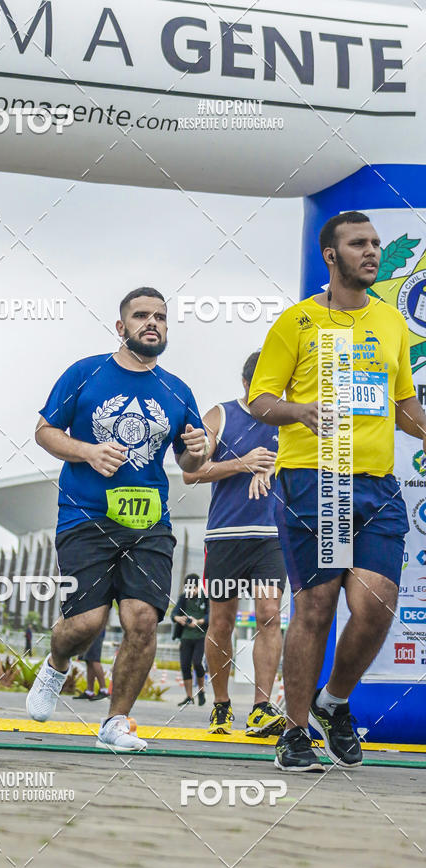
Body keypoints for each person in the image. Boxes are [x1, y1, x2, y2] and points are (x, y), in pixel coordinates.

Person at [248, 210, 426, 772]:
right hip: (315, 481)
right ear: (331, 256)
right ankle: (296, 731)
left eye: (376, 243)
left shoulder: (392, 323)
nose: (372, 252)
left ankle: (335, 701)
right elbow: (260, 400)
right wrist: (301, 411)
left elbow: (403, 407)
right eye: (358, 244)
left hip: (377, 486)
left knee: (374, 607)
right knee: (317, 607)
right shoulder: (295, 323)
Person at [27, 287, 208, 751]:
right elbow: (45, 431)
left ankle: (116, 722)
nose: (153, 323)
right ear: (120, 326)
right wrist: (87, 451)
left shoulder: (178, 390)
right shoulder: (86, 374)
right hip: (85, 516)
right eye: (142, 315)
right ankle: (55, 665)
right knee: (85, 624)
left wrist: (198, 452)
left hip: (149, 522)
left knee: (142, 619)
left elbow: (189, 466)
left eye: (161, 317)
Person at [183, 353, 286, 738]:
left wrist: (276, 466)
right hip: (226, 537)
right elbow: (190, 474)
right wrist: (243, 463)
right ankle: (221, 705)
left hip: (272, 538)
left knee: (269, 614)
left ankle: (261, 708)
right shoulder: (220, 415)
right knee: (222, 621)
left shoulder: (290, 420)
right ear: (245, 385)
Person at [171, 573, 207, 707]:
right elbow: (174, 612)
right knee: (185, 665)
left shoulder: (205, 598)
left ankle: (201, 692)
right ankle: (189, 696)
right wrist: (177, 618)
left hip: (201, 636)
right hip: (185, 636)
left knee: (197, 662)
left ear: (198, 587)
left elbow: (210, 615)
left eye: (193, 588)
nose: (190, 591)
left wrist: (200, 621)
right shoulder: (183, 598)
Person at [74, 628, 110, 700]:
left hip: (96, 630)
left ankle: (104, 690)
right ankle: (89, 691)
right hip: (87, 630)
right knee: (88, 660)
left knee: (94, 659)